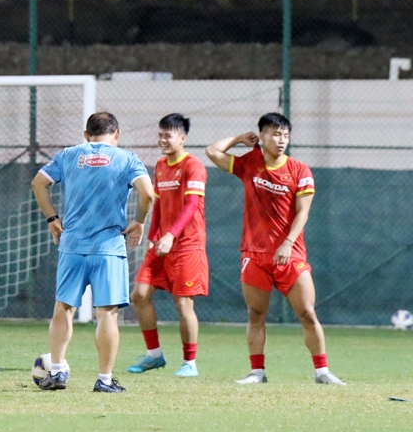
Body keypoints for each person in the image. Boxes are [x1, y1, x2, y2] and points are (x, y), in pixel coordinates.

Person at [205, 112, 344, 385]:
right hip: (254, 254)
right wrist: (239, 139)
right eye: (276, 134)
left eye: (286, 135)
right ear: (262, 136)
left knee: (307, 312)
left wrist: (288, 243)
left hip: (290, 253)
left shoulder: (300, 170)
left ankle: (322, 372)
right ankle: (257, 372)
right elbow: (212, 151)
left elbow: (303, 212)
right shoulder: (249, 163)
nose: (281, 140)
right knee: (256, 315)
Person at [31, 112, 154, 393]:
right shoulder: (128, 159)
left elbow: (38, 183)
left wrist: (52, 218)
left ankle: (57, 372)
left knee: (63, 308)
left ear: (86, 135)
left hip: (72, 246)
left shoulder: (68, 155)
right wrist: (139, 221)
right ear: (117, 134)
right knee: (107, 315)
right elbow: (147, 194)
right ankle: (104, 380)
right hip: (108, 248)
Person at [128, 114, 207, 378]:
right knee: (139, 295)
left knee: (183, 303)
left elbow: (192, 205)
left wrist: (171, 235)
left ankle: (190, 363)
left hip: (187, 245)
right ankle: (154, 356)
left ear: (182, 138)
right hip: (161, 244)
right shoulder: (161, 165)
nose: (162, 139)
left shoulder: (194, 166)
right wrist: (153, 235)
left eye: (168, 135)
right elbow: (159, 203)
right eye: (160, 134)